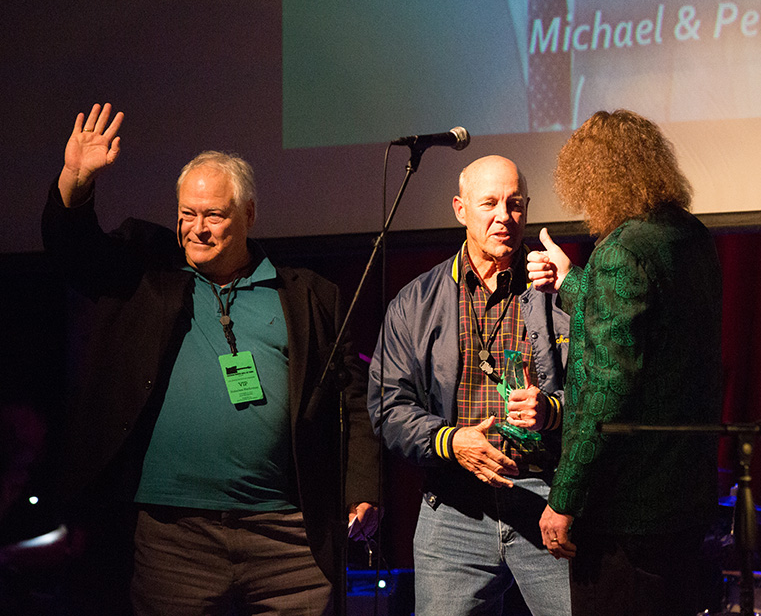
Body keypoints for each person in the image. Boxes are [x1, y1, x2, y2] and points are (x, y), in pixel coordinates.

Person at [41, 103, 381, 615]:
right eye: (187, 214)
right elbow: (73, 251)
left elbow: (352, 398)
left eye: (214, 215)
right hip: (173, 540)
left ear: (248, 215)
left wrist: (362, 489)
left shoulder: (309, 295)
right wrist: (75, 179)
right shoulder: (145, 273)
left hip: (288, 538)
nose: (197, 228)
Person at [530, 109, 724, 615]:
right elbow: (652, 332)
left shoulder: (621, 250)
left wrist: (565, 497)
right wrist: (572, 280)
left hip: (627, 516)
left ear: (594, 178)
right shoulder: (689, 237)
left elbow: (605, 391)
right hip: (684, 503)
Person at [368, 155, 572, 615]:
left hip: (547, 501)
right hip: (455, 508)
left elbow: (599, 391)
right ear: (461, 210)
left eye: (516, 204)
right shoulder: (416, 301)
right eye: (490, 203)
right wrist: (451, 441)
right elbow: (388, 404)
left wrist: (552, 410)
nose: (504, 216)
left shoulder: (556, 290)